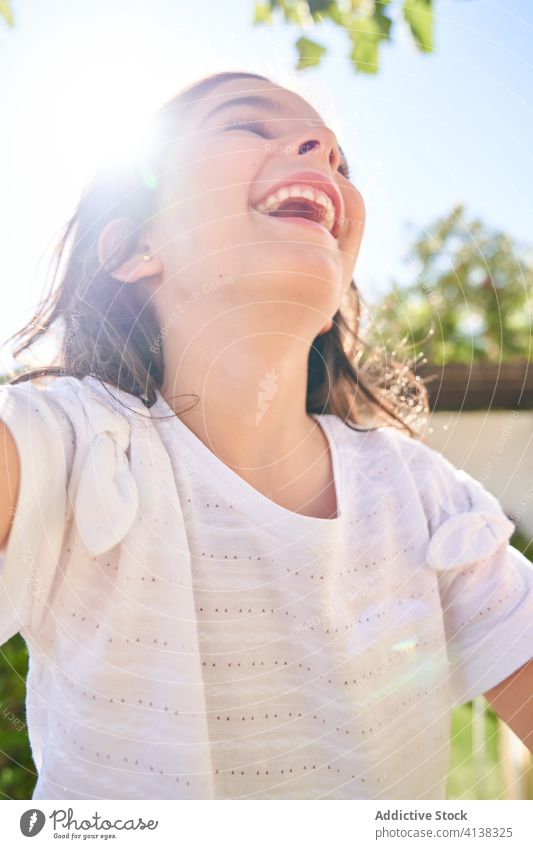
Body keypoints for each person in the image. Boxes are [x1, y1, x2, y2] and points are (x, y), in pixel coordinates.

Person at [0, 70, 531, 801]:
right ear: (134, 250)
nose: (324, 149)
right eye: (248, 125)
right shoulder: (66, 443)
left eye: (337, 160)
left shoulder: (422, 496)